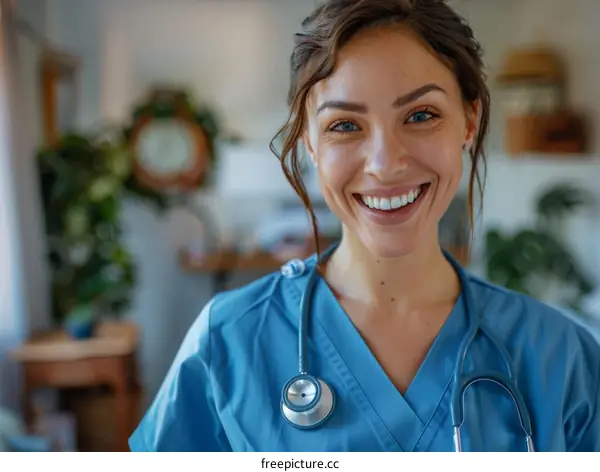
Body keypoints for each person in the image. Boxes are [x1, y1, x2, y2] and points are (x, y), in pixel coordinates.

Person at [129, 0, 600, 452]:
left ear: (468, 122)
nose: (385, 163)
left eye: (421, 115)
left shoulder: (560, 358)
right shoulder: (226, 343)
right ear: (309, 142)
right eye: (345, 125)